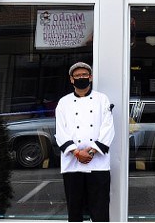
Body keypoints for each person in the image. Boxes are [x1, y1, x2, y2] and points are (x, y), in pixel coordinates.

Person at [55, 62, 115, 222]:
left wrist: (91, 151)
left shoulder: (102, 99)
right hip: (72, 164)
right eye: (77, 76)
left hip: (98, 163)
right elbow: (60, 131)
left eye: (84, 75)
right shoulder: (64, 102)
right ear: (71, 80)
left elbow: (108, 128)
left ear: (90, 77)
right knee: (75, 210)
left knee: (100, 209)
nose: (81, 78)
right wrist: (76, 152)